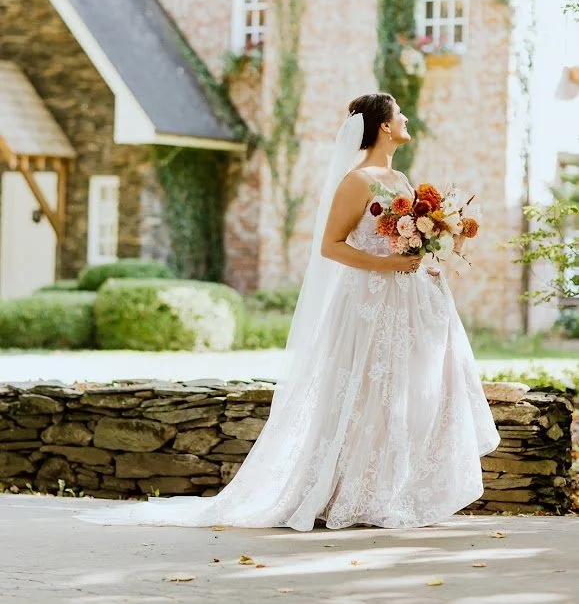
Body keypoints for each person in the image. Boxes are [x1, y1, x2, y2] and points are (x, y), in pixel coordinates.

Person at [82, 92, 499, 530]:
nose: (407, 118)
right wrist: (387, 264)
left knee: (402, 393)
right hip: (369, 302)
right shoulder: (356, 182)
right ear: (383, 127)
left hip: (406, 298)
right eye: (399, 115)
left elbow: (407, 241)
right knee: (362, 393)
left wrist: (434, 253)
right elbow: (331, 246)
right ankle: (343, 492)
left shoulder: (402, 180)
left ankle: (389, 489)